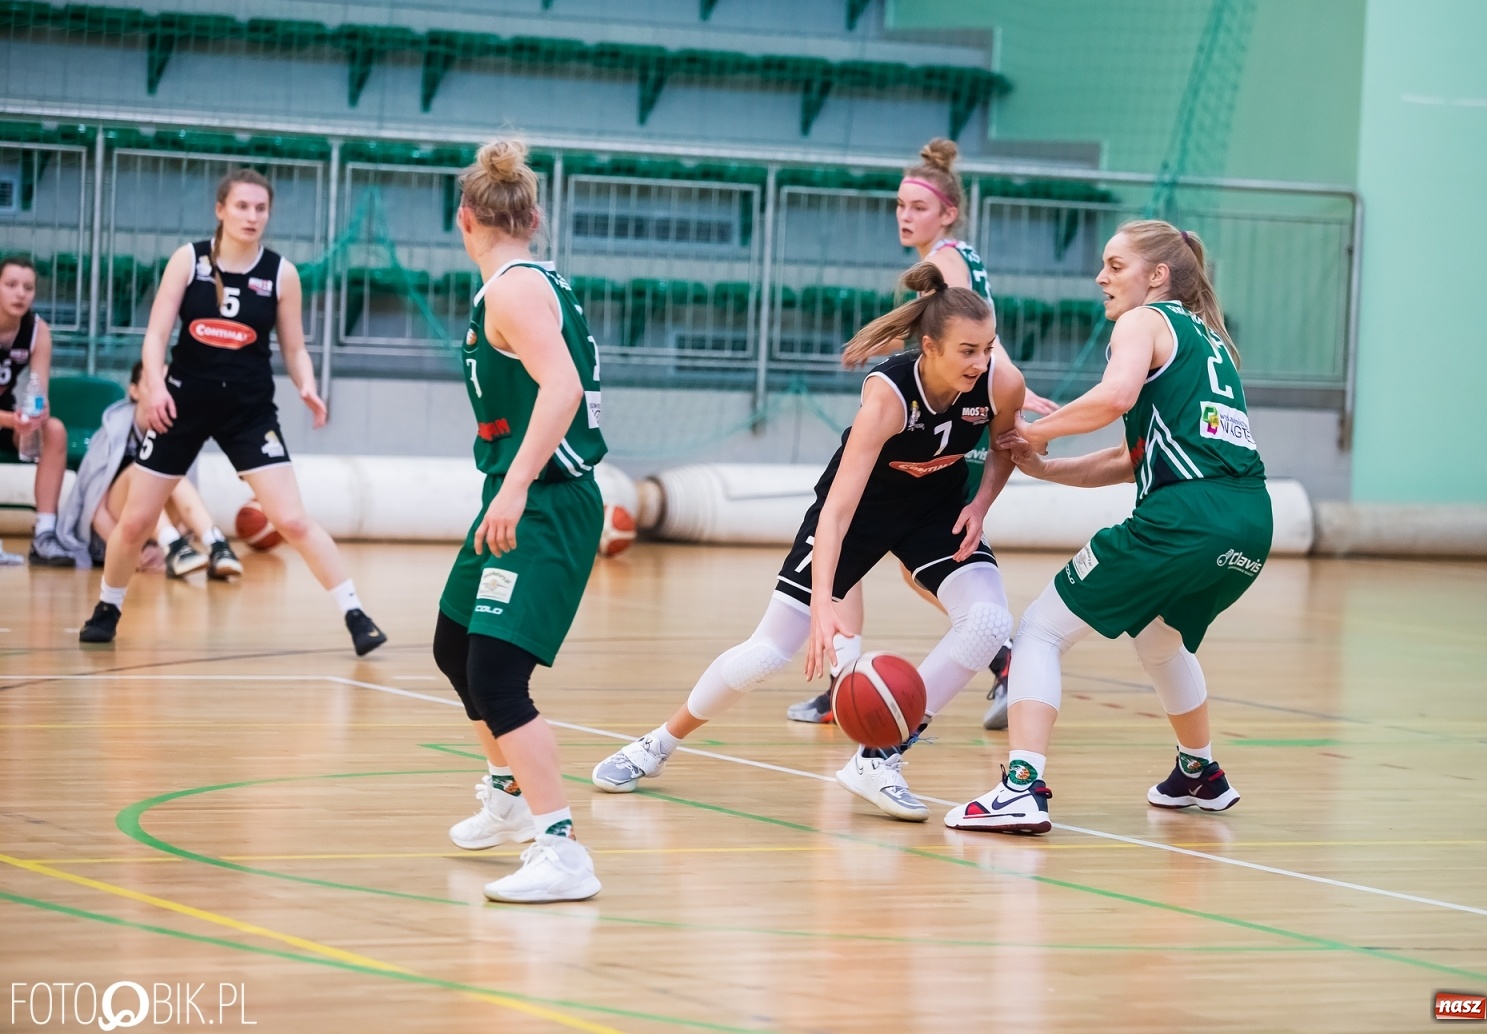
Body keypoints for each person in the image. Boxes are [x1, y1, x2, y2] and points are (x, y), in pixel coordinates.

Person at [595, 260, 1024, 822]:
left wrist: (981, 503)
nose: (982, 360)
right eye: (968, 350)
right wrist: (824, 602)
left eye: (988, 347)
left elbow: (1004, 447)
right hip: (857, 517)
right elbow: (839, 508)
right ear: (929, 347)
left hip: (936, 513)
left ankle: (882, 755)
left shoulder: (1000, 383)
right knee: (768, 653)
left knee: (989, 622)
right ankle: (655, 745)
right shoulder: (889, 396)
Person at [945, 220, 1272, 835]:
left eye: (1115, 266)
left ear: (1157, 276)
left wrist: (1038, 429)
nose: (1101, 277)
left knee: (1040, 630)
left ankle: (1021, 788)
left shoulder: (1143, 323)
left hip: (1186, 519)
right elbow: (1134, 458)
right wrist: (1046, 467)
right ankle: (1200, 772)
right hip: (1250, 523)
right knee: (1158, 639)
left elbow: (1116, 396)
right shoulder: (1210, 344)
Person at [786, 138, 1054, 732]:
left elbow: (975, 327)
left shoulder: (950, 259)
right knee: (909, 560)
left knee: (879, 537)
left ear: (947, 214)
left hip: (953, 410)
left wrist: (1006, 384)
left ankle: (994, 656)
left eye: (917, 207)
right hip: (946, 400)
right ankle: (855, 676)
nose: (905, 217)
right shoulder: (953, 258)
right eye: (899, 206)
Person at [77, 169, 385, 654]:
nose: (252, 216)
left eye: (261, 208)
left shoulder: (281, 274)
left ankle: (356, 615)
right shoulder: (188, 260)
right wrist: (155, 388)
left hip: (249, 410)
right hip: (182, 402)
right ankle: (108, 607)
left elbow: (295, 348)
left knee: (292, 519)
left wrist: (307, 385)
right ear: (221, 209)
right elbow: (155, 337)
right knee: (136, 521)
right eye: (242, 206)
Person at [433, 139, 608, 904]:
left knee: (498, 676)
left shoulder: (510, 290)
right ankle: (508, 794)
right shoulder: (529, 280)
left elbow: (561, 388)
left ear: (463, 218)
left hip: (545, 497)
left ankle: (561, 848)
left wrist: (514, 489)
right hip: (516, 490)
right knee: (454, 644)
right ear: (532, 217)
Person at [57, 362, 243, 579]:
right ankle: (173, 546)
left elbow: (187, 508)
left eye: (169, 386)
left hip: (158, 537)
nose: (163, 392)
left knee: (172, 474)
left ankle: (216, 545)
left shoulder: (181, 430)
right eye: (155, 385)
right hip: (115, 533)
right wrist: (130, 553)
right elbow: (94, 510)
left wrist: (159, 548)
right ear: (134, 391)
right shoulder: (114, 429)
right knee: (145, 470)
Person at [0, 256, 74, 566]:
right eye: (11, 285)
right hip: (5, 419)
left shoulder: (37, 330)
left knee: (54, 430)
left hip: (8, 418)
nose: (21, 294)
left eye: (28, 287)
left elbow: (38, 388)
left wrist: (33, 416)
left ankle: (44, 534)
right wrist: (10, 421)